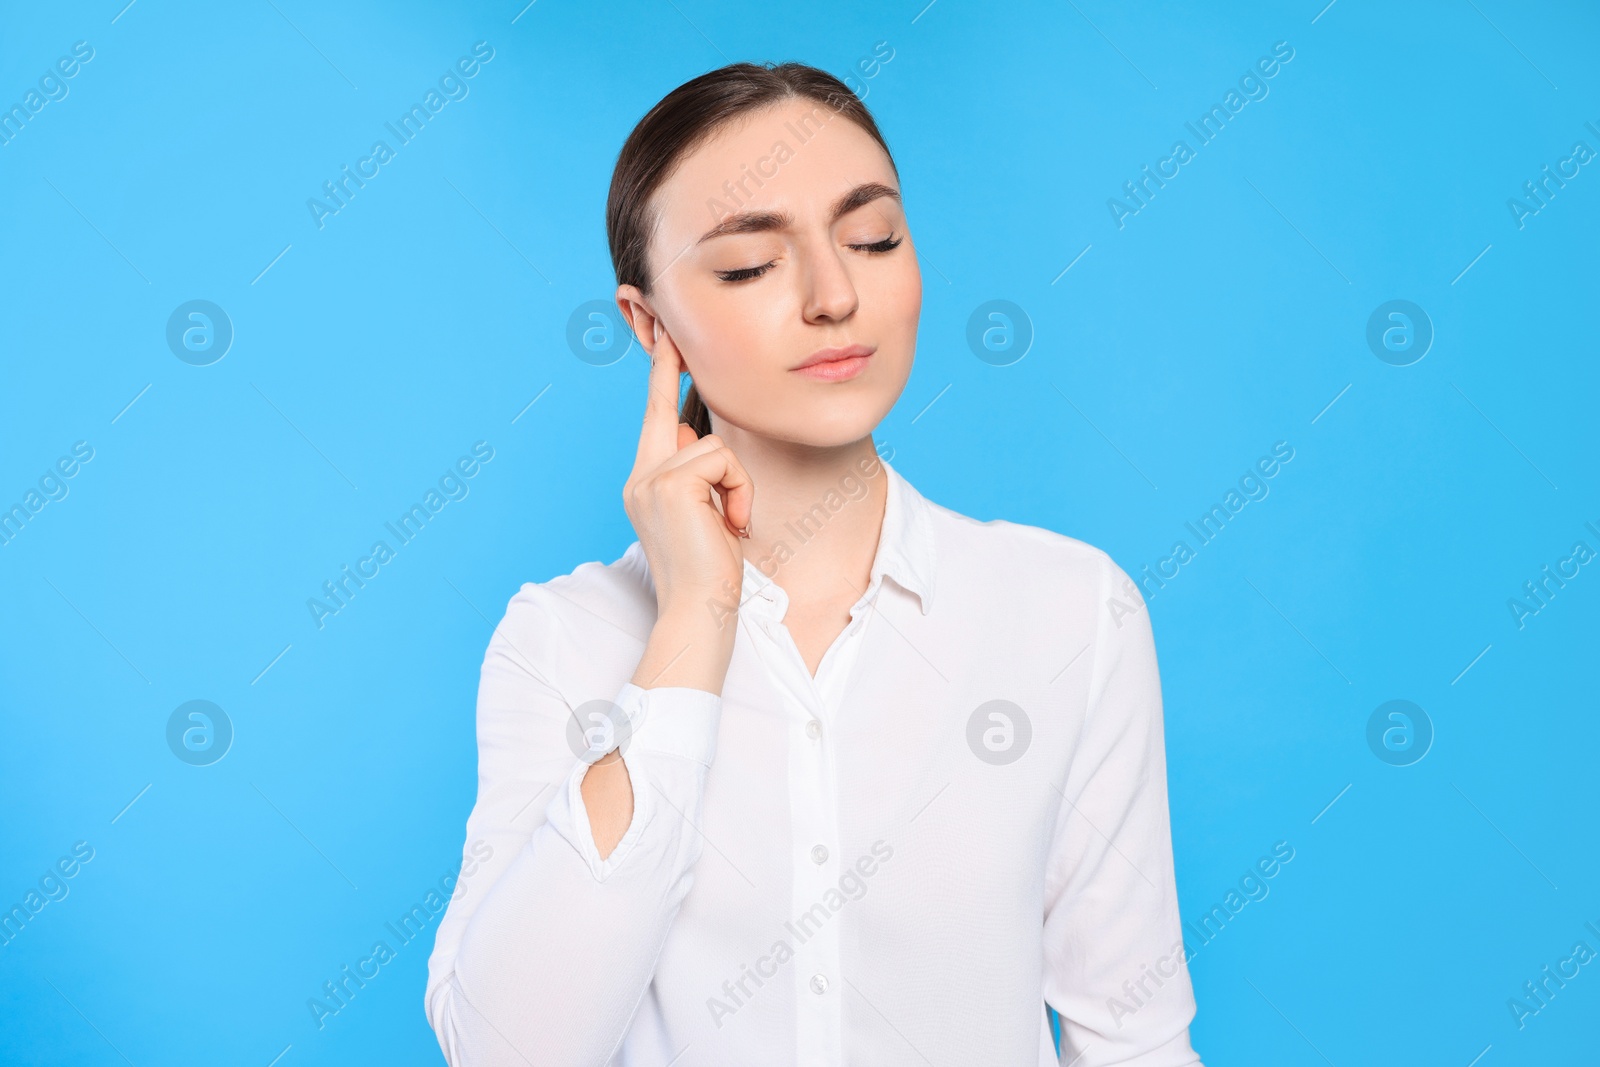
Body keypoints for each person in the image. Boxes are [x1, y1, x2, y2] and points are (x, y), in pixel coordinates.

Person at [424, 61, 1204, 1067]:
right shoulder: (562, 638)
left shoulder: (1069, 612)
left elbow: (1133, 1038)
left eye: (872, 238)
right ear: (651, 325)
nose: (836, 294)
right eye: (751, 265)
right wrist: (694, 619)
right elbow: (507, 1049)